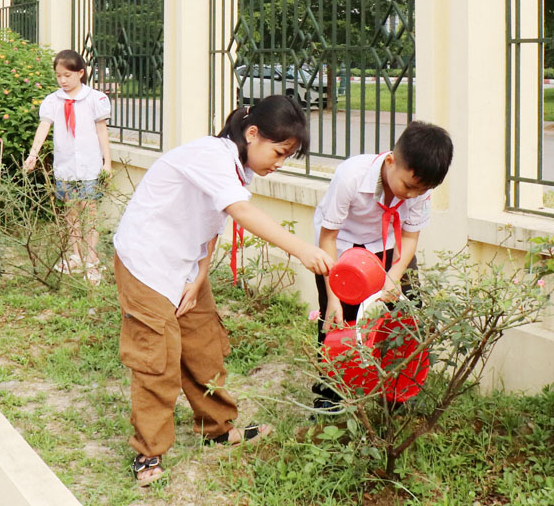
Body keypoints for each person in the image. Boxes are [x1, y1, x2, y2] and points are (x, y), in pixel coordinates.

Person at [112, 95, 335, 487]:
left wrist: (198, 280)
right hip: (146, 264)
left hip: (184, 264)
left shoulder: (237, 169)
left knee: (204, 346)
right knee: (158, 358)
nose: (280, 163)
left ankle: (218, 429)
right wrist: (303, 249)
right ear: (253, 134)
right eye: (279, 152)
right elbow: (241, 213)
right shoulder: (211, 156)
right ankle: (148, 452)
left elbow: (212, 228)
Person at [310, 121, 453, 412]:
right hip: (343, 248)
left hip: (388, 245)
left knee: (404, 313)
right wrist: (334, 299)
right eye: (409, 186)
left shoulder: (419, 187)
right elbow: (328, 237)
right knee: (338, 320)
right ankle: (332, 392)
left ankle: (396, 390)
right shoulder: (351, 176)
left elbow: (411, 238)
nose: (412, 195)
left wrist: (394, 278)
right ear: (390, 161)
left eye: (422, 190)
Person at [24, 49, 112, 284]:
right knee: (71, 212)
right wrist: (33, 154)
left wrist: (107, 162)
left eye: (67, 76)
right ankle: (76, 255)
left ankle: (92, 260)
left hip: (90, 166)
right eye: (58, 76)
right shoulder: (53, 100)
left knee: (90, 211)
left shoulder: (95, 99)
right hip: (66, 166)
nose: (63, 80)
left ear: (80, 73)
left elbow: (102, 131)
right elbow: (44, 127)